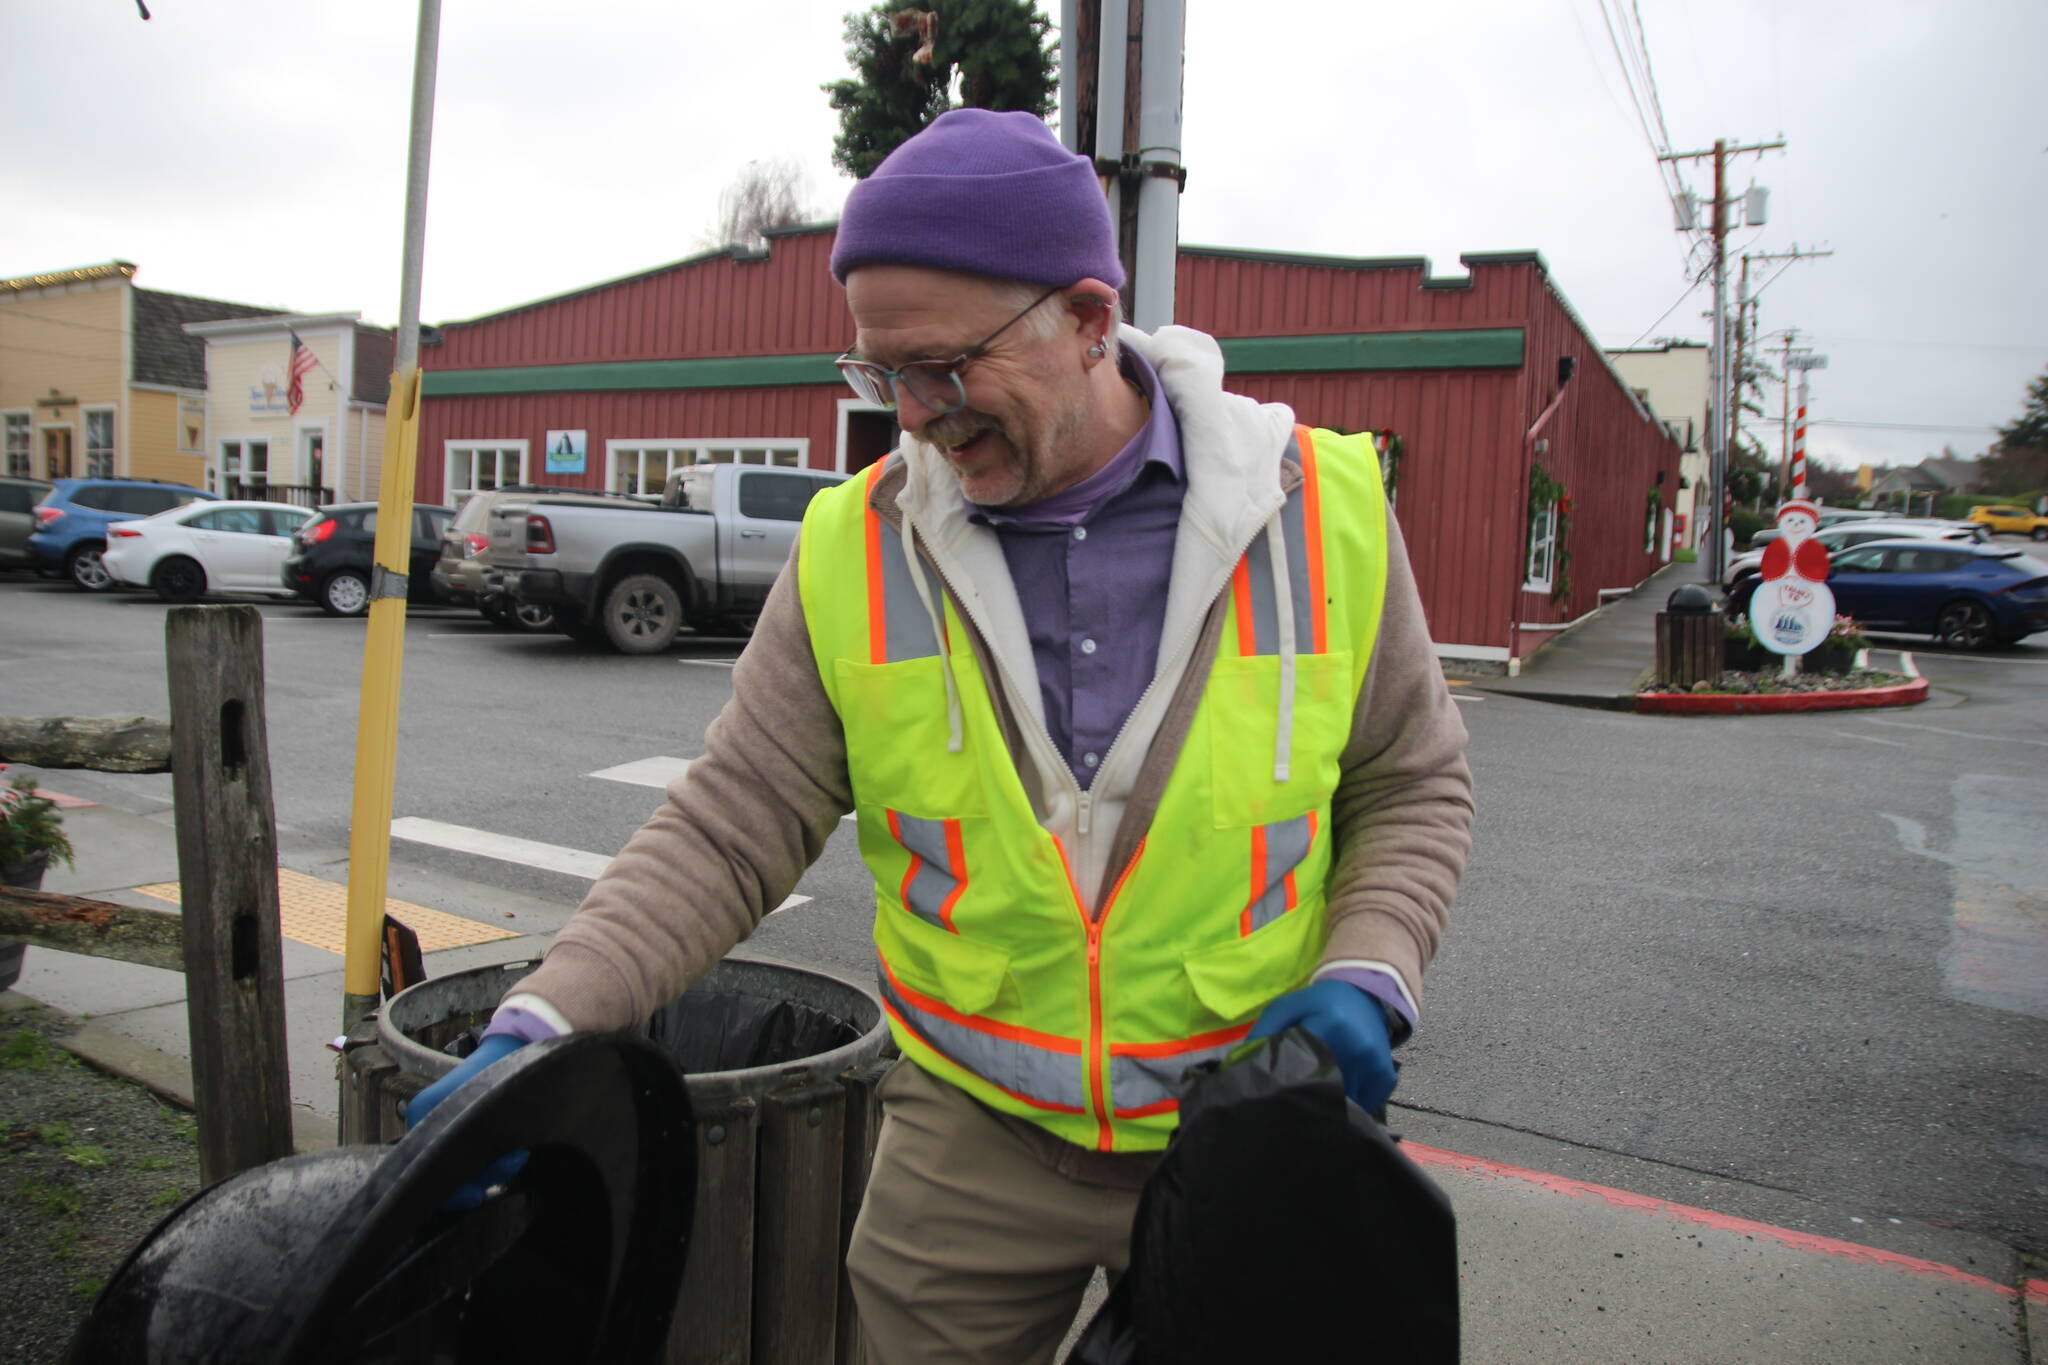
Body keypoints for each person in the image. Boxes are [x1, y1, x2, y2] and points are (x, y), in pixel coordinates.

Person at [410, 108, 1474, 1362]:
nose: (911, 416)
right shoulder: (854, 545)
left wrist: (1369, 969)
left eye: (942, 368)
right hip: (966, 1144)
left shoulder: (1318, 506)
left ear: (1087, 319)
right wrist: (548, 1022)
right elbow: (731, 818)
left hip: (1250, 1123)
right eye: (879, 375)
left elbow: (1411, 784)